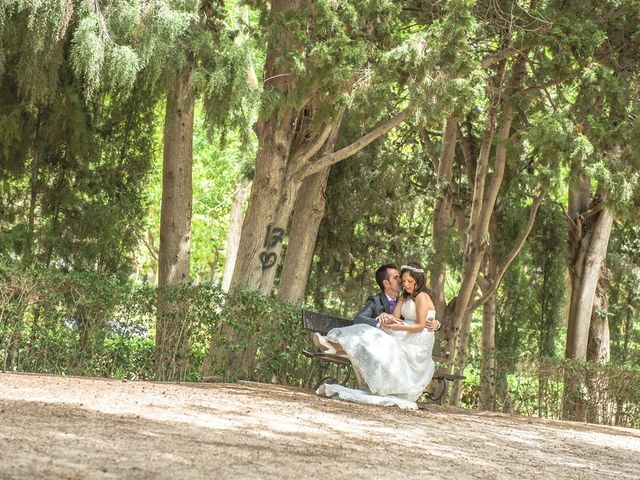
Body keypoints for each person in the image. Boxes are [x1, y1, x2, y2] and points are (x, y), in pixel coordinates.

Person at [313, 262, 438, 409]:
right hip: (404, 332)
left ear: (418, 279)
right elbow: (395, 317)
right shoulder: (403, 297)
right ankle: (333, 343)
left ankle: (336, 346)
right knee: (369, 330)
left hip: (417, 340)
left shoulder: (422, 296)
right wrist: (386, 316)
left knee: (379, 337)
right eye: (403, 281)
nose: (405, 284)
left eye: (409, 281)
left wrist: (397, 326)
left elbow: (421, 325)